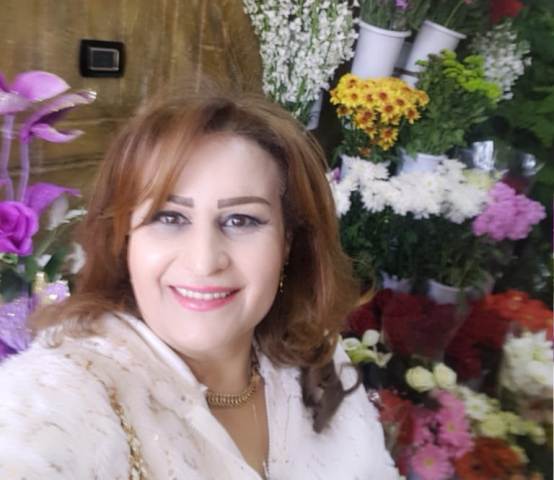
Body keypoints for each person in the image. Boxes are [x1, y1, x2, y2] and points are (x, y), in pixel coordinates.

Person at [0, 90, 399, 479]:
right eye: (169, 218)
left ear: (288, 243)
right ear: (124, 238)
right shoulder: (62, 395)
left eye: (241, 220)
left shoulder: (317, 358)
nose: (204, 261)